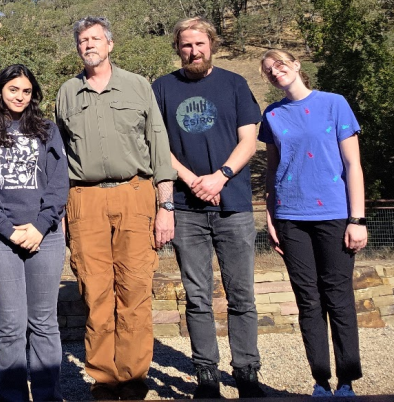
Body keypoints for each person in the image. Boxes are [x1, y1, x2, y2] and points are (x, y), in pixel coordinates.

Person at [55, 16, 177, 400]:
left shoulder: (138, 86)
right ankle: (104, 379)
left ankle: (133, 376)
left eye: (95, 38)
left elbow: (159, 146)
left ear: (109, 44)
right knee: (94, 291)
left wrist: (166, 206)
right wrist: (60, 211)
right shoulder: (67, 92)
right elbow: (58, 156)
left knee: (135, 288)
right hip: (83, 199)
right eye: (82, 40)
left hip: (134, 194)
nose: (88, 45)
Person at [150, 17, 265, 398]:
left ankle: (246, 371)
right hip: (186, 208)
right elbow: (157, 145)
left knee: (242, 296)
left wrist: (220, 176)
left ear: (211, 44)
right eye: (186, 45)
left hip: (233, 206)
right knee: (197, 297)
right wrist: (191, 179)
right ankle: (206, 374)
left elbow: (248, 140)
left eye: (200, 44)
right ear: (178, 48)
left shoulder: (235, 84)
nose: (193, 51)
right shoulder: (162, 88)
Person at [259, 49, 367, 397]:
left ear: (296, 65)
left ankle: (347, 380)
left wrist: (357, 219)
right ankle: (320, 380)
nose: (275, 71)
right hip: (290, 217)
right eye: (268, 70)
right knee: (308, 300)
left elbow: (353, 165)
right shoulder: (272, 115)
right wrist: (271, 217)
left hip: (334, 215)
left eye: (279, 64)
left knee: (338, 297)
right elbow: (272, 170)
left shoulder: (334, 104)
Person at [0, 64, 69, 402]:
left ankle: (48, 395)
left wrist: (40, 226)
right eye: (13, 90)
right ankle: (12, 396)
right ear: (0, 91)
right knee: (10, 324)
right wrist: (9, 230)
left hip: (45, 236)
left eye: (26, 91)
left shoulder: (47, 130)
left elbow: (59, 183)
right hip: (2, 239)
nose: (20, 96)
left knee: (44, 321)